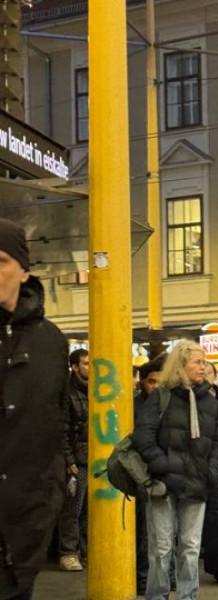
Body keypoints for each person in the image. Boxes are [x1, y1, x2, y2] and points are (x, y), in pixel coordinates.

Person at [0, 218, 69, 600]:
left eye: (1, 261)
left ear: (23, 270)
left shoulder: (50, 341)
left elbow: (55, 423)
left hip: (27, 517)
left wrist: (50, 494)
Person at [133, 341, 218, 600]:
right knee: (161, 549)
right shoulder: (161, 397)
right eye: (197, 362)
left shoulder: (211, 401)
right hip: (162, 484)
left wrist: (213, 470)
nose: (203, 367)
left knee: (190, 548)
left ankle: (188, 596)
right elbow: (143, 437)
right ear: (180, 366)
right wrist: (163, 465)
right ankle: (158, 596)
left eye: (204, 362)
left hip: (197, 483)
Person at [133, 355, 167, 594]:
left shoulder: (169, 404)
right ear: (142, 382)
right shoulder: (136, 407)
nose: (155, 387)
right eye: (151, 382)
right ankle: (144, 577)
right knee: (146, 530)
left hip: (168, 470)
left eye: (159, 382)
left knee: (167, 530)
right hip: (144, 472)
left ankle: (167, 575)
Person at [58, 349, 90, 572]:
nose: (91, 368)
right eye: (86, 364)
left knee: (89, 510)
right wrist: (68, 459)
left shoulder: (97, 390)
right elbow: (62, 429)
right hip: (76, 460)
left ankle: (86, 551)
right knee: (73, 508)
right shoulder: (67, 393)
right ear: (75, 367)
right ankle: (68, 552)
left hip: (94, 458)